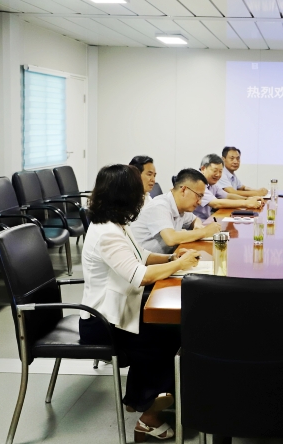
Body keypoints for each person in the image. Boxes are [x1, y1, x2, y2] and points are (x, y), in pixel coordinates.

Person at [80, 164, 202, 441]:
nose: (144, 196)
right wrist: (180, 264)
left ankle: (140, 399)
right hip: (103, 322)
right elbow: (140, 276)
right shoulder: (107, 233)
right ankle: (149, 414)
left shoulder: (115, 224)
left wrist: (171, 259)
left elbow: (142, 255)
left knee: (172, 330)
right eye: (139, 192)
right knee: (168, 337)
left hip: (121, 308)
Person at [131, 168, 222, 253]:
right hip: (145, 262)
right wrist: (204, 232)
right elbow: (171, 239)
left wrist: (198, 226)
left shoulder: (181, 206)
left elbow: (194, 219)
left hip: (168, 257)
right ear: (184, 190)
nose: (200, 202)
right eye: (199, 196)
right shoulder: (159, 206)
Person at [194, 154, 264, 220]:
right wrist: (247, 203)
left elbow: (227, 196)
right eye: (215, 171)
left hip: (207, 220)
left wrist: (247, 199)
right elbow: (216, 203)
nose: (218, 175)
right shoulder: (197, 182)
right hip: (196, 224)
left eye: (220, 171)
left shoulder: (212, 184)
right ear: (203, 169)